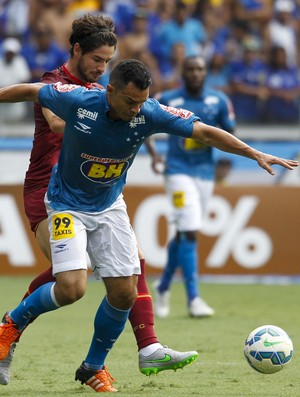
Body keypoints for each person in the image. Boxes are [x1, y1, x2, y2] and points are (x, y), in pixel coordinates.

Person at [0, 59, 298, 393]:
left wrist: (254, 153)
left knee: (125, 291)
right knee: (72, 288)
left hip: (110, 206)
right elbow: (30, 91)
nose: (136, 109)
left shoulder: (149, 112)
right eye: (129, 101)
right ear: (110, 91)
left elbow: (203, 132)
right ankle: (11, 322)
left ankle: (92, 367)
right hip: (66, 205)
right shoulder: (78, 101)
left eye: (141, 101)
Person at [0, 15, 198, 391]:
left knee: (129, 264)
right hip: (50, 189)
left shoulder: (107, 91)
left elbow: (131, 120)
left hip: (97, 189)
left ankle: (136, 350)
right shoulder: (55, 84)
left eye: (108, 62)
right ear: (77, 51)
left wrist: (147, 138)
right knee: (73, 277)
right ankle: (9, 331)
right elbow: (59, 124)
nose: (102, 68)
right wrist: (90, 109)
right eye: (97, 60)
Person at [146, 55, 236, 318]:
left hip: (205, 174)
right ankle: (194, 299)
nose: (196, 73)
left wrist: (224, 159)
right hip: (177, 172)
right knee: (190, 231)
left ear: (206, 73)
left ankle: (162, 286)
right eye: (191, 69)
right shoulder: (169, 98)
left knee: (186, 230)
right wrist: (153, 153)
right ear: (182, 73)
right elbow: (140, 120)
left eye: (200, 69)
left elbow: (230, 132)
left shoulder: (218, 101)